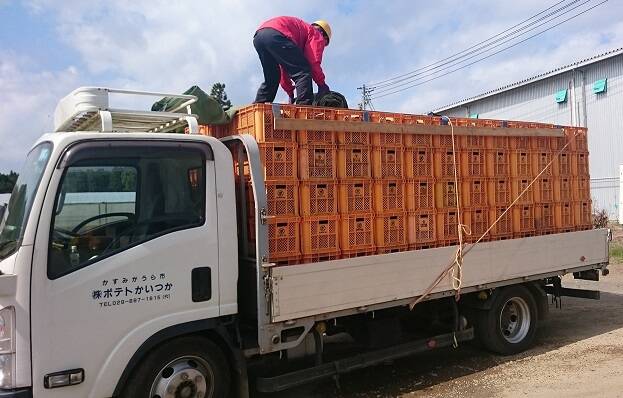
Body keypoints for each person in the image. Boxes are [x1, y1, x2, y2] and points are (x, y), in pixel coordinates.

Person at [253, 16, 331, 105]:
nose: (322, 46)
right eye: (324, 44)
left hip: (259, 36)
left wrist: (290, 93)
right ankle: (304, 108)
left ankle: (258, 107)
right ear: (323, 36)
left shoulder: (301, 32)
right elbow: (313, 63)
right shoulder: (316, 34)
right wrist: (322, 84)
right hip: (278, 33)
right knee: (303, 71)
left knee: (272, 77)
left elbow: (283, 70)